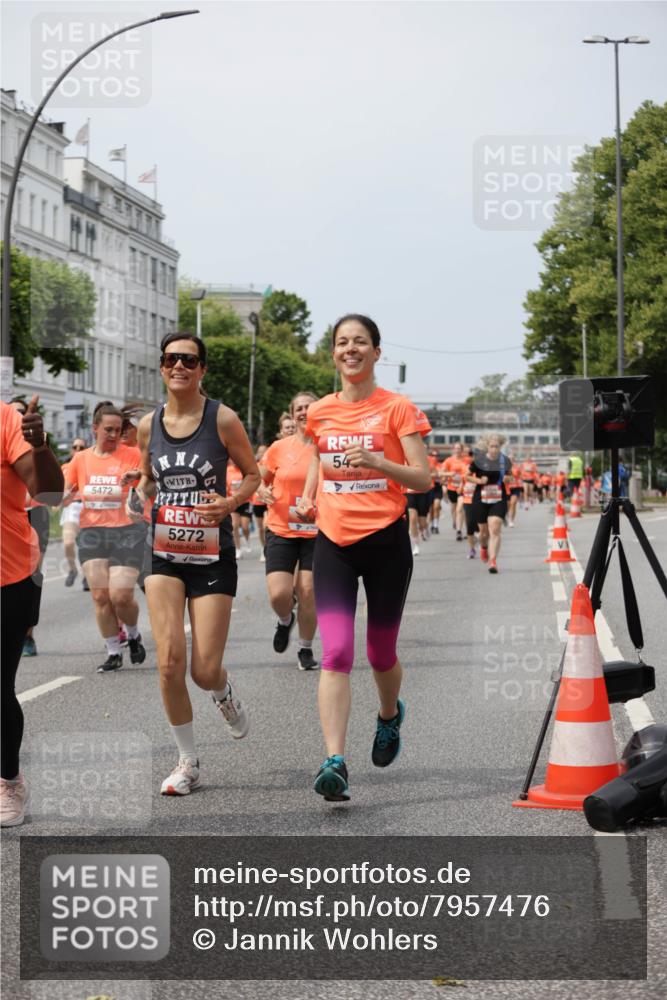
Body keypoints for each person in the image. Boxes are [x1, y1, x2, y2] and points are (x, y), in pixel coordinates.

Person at [297, 314, 430, 802]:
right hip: (333, 542)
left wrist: (378, 462)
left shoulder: (397, 409)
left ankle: (390, 715)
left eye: (360, 342)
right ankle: (334, 761)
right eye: (341, 343)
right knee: (335, 652)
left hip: (385, 543)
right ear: (333, 353)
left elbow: (422, 479)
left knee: (379, 653)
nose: (350, 349)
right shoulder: (321, 411)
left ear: (376, 352)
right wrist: (311, 494)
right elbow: (317, 454)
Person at [133, 332, 260, 796]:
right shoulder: (149, 425)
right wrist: (138, 492)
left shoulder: (222, 419)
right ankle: (187, 762)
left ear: (202, 368)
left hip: (211, 553)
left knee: (203, 670)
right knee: (168, 663)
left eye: (188, 359)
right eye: (170, 359)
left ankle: (222, 693)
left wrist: (229, 504)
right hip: (163, 552)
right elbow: (148, 480)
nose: (179, 366)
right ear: (162, 367)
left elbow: (252, 475)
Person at [1, 397, 64, 826]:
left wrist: (40, 447)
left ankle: (9, 781)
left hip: (7, 576)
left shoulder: (6, 419)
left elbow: (49, 493)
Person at [64, 404, 147, 672]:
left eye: (118, 430)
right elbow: (66, 490)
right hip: (92, 533)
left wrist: (141, 486)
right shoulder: (81, 459)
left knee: (121, 596)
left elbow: (149, 484)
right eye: (108, 429)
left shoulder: (133, 455)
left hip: (127, 532)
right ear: (95, 428)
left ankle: (133, 634)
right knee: (100, 597)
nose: (113, 434)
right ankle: (113, 651)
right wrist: (62, 496)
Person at [258, 392, 320, 671]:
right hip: (281, 528)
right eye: (299, 408)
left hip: (317, 532)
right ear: (292, 414)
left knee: (308, 591)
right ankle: (285, 620)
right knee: (279, 595)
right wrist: (261, 489)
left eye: (309, 407)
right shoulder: (279, 448)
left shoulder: (326, 447)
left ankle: (305, 648)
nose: (304, 412)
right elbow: (257, 477)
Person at [467, 434, 509, 574]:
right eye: (492, 446)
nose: (494, 449)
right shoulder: (479, 461)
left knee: (495, 528)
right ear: (487, 447)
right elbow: (466, 476)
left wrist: (508, 478)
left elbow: (510, 476)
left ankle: (493, 561)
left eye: (497, 446)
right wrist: (479, 481)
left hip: (498, 497)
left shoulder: (504, 461)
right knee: (483, 533)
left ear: (500, 447)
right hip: (480, 498)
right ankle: (484, 547)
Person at [59, 437, 86, 587]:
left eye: (81, 448)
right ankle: (73, 570)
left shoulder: (90, 466)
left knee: (85, 546)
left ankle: (87, 576)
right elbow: (60, 489)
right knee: (68, 543)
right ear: (71, 450)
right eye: (75, 447)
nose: (77, 450)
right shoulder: (65, 467)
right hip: (71, 508)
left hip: (88, 509)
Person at [251, 445, 268, 561]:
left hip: (268, 501)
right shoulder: (254, 467)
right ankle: (263, 548)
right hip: (257, 502)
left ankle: (268, 549)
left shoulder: (271, 464)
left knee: (265, 525)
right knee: (260, 528)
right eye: (260, 452)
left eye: (265, 451)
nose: (262, 453)